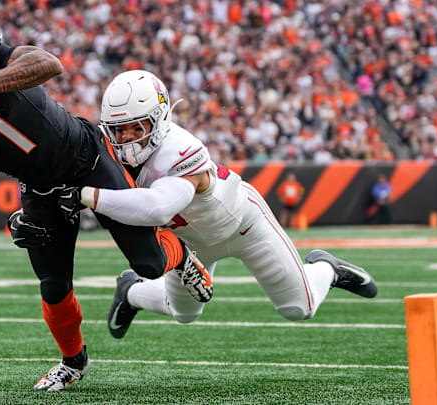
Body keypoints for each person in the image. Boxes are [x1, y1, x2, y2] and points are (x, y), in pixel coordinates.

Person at [0, 23, 212, 391]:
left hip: (85, 157)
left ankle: (182, 259)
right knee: (52, 284)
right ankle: (73, 361)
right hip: (39, 188)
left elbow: (48, 64)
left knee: (151, 263)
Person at [58, 70, 378, 339]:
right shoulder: (110, 152)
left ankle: (327, 269)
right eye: (119, 130)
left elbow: (157, 208)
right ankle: (130, 292)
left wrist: (88, 196)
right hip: (190, 246)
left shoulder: (179, 149)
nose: (127, 139)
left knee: (300, 307)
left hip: (243, 225)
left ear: (159, 119)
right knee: (183, 313)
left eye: (136, 128)